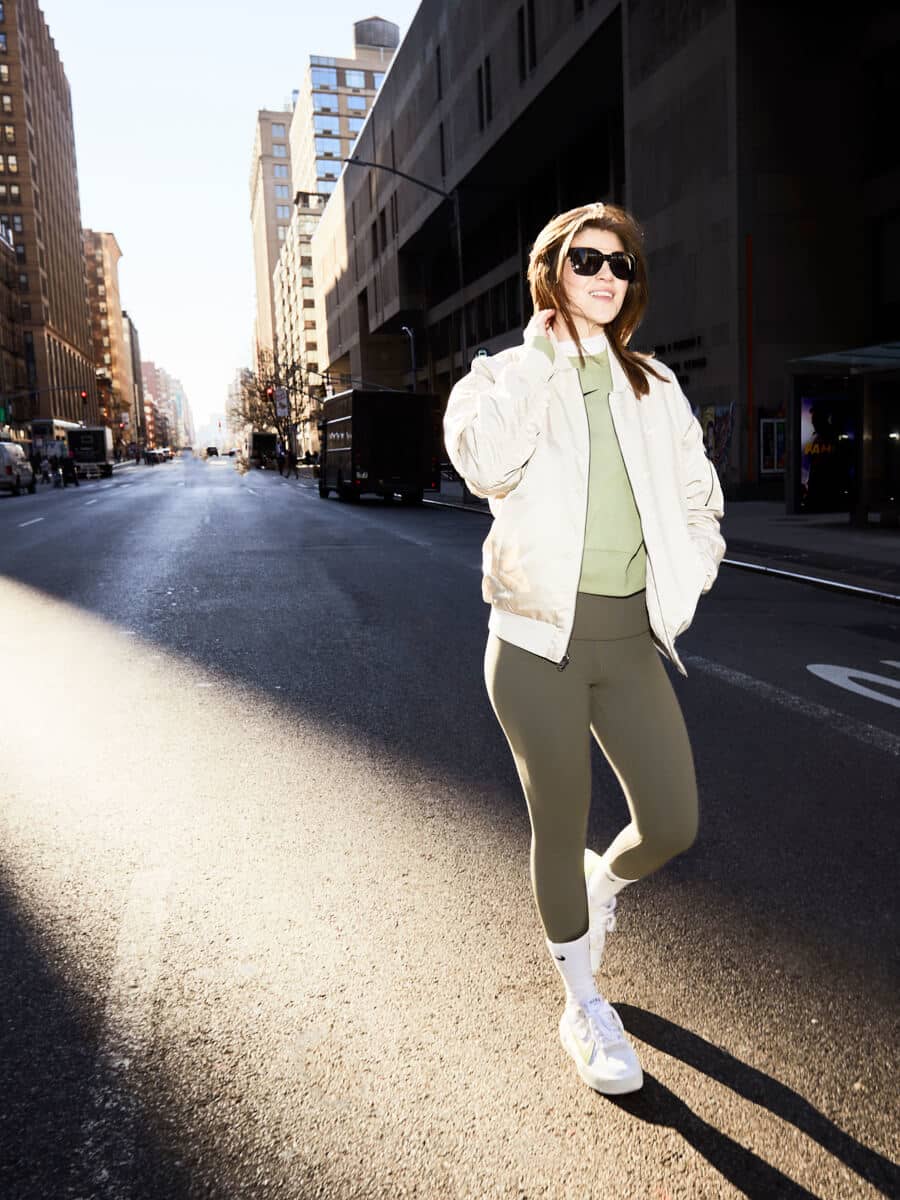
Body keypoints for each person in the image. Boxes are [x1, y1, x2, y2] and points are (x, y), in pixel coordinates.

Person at [443, 202, 725, 1096]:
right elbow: (484, 465)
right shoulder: (499, 377)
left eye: (622, 264)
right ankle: (582, 1003)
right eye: (587, 260)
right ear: (552, 271)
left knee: (673, 822)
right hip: (537, 648)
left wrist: (690, 572)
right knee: (557, 830)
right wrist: (541, 358)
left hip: (629, 639)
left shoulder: (656, 386)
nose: (607, 276)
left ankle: (602, 889)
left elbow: (701, 499)